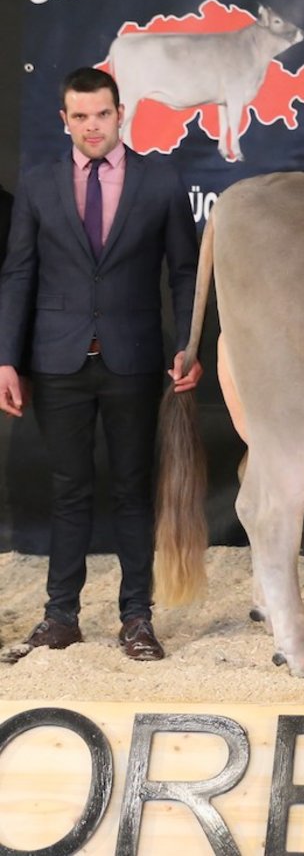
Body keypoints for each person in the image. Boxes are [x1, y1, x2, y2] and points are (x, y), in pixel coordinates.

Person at [0, 67, 201, 663]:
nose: (93, 126)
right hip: (57, 360)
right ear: (65, 120)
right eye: (81, 116)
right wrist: (6, 358)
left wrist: (190, 345)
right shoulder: (38, 184)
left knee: (134, 491)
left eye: (103, 114)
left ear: (121, 115)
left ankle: (137, 619)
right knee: (69, 491)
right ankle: (60, 617)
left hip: (134, 359)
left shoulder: (160, 181)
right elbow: (18, 274)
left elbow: (186, 272)